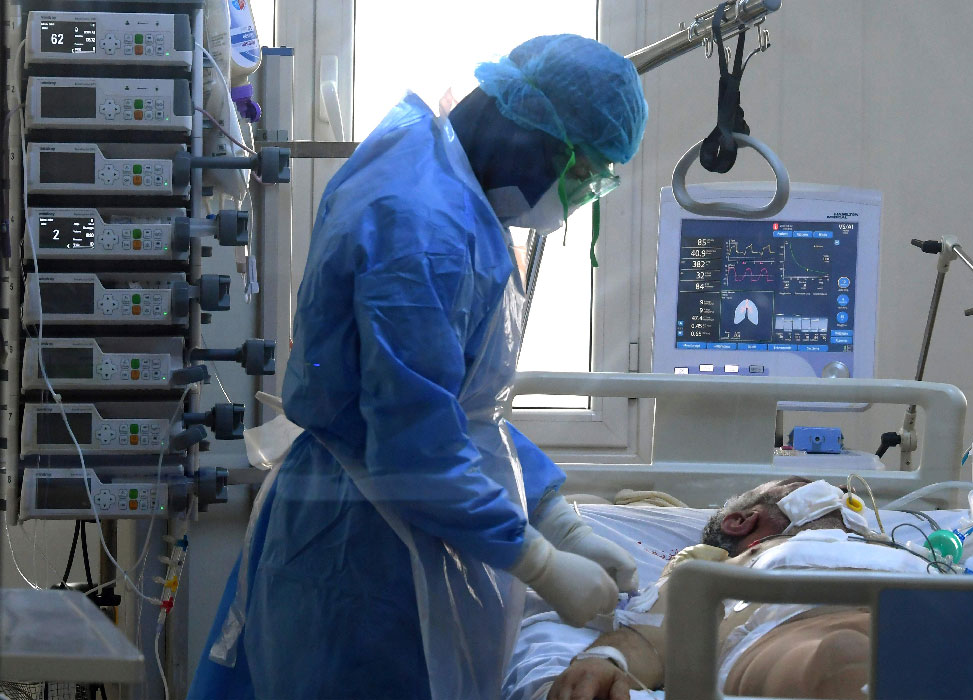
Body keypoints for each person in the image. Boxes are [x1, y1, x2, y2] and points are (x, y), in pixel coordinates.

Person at [188, 34, 648, 700]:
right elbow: (417, 450)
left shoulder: (437, 180)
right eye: (579, 172)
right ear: (529, 126)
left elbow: (455, 408)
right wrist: (541, 563)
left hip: (376, 526)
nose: (575, 198)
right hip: (363, 555)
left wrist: (553, 512)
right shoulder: (422, 230)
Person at [547, 477, 927, 700]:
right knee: (845, 657)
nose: (840, 492)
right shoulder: (721, 566)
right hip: (790, 635)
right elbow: (660, 630)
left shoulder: (910, 550)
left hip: (936, 620)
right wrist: (608, 660)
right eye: (798, 485)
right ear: (741, 522)